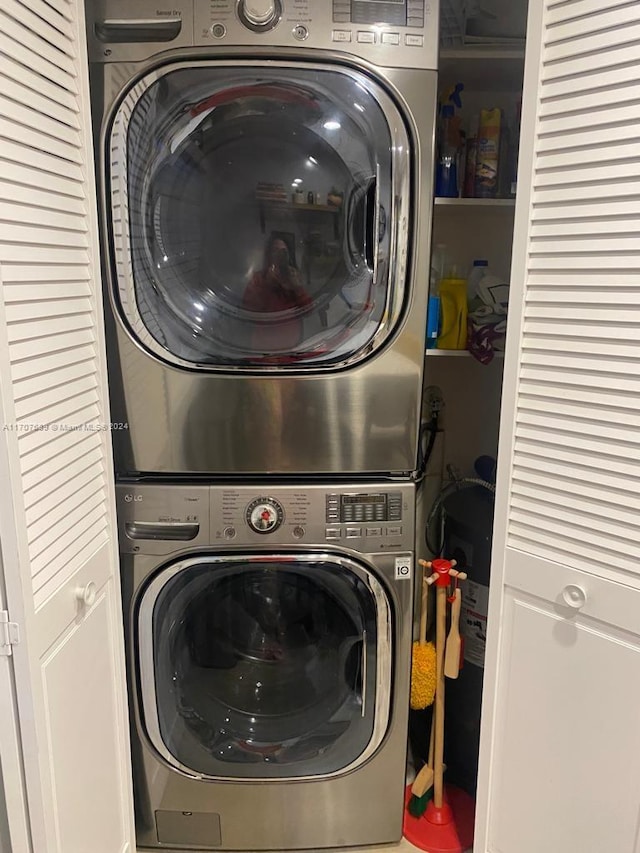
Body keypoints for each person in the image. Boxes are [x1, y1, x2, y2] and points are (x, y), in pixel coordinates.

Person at [242, 235, 312, 352]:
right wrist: (267, 285)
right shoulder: (258, 278)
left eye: (283, 252)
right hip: (263, 347)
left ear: (288, 255)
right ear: (268, 255)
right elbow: (248, 311)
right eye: (275, 251)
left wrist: (297, 288)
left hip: (291, 346)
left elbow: (308, 310)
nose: (280, 255)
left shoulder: (293, 276)